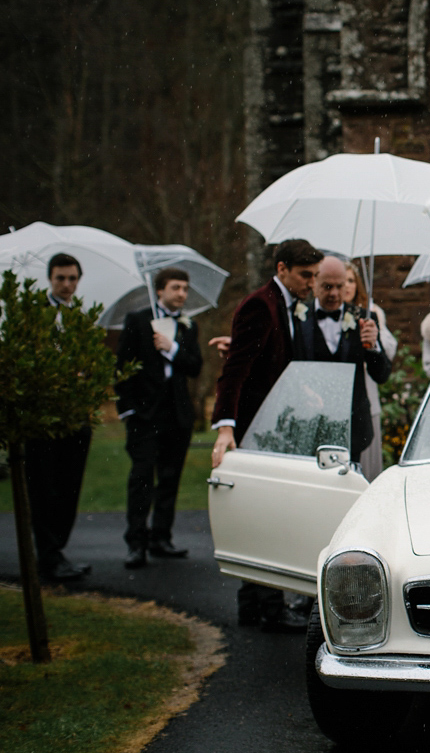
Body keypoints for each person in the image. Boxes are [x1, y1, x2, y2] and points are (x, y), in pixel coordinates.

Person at [211, 238, 323, 632]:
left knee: (265, 510)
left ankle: (254, 607)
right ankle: (268, 611)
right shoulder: (261, 305)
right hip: (256, 424)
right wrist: (226, 426)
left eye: (313, 275)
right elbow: (236, 371)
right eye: (305, 275)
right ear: (282, 270)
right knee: (266, 513)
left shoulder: (287, 305)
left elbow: (272, 362)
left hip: (276, 420)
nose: (311, 283)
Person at [115, 268, 203, 569]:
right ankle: (135, 543)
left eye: (185, 288)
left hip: (177, 415)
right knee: (141, 478)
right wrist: (128, 411)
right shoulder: (137, 321)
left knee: (170, 478)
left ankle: (161, 538)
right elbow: (122, 367)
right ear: (160, 290)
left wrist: (172, 348)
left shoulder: (188, 326)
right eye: (176, 287)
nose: (182, 294)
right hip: (144, 414)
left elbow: (194, 367)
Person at [26, 253, 93, 581]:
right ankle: (48, 557)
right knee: (44, 488)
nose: (67, 285)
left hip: (75, 415)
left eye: (72, 278)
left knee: (69, 486)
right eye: (60, 278)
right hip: (43, 417)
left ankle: (57, 552)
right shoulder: (34, 315)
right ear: (50, 279)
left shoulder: (80, 316)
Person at [294, 256, 393, 462]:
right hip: (310, 422)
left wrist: (374, 346)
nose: (334, 294)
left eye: (340, 286)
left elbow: (382, 375)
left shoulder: (364, 318)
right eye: (327, 287)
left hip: (352, 426)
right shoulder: (298, 317)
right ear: (315, 283)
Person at [343, 261, 398, 480]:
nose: (346, 286)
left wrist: (374, 336)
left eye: (350, 281)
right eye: (342, 281)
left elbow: (389, 350)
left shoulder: (372, 313)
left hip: (366, 388)